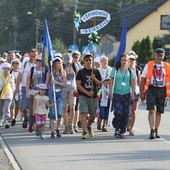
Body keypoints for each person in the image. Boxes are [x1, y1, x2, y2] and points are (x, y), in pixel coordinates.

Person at [140, 48, 170, 139]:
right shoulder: (149, 65)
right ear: (154, 55)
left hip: (162, 90)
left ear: (164, 56)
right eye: (158, 55)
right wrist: (142, 93)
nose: (159, 57)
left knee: (159, 111)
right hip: (151, 89)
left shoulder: (167, 66)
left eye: (161, 55)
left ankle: (156, 130)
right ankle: (152, 130)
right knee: (151, 110)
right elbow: (143, 79)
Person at [76, 53, 102, 139]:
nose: (88, 62)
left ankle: (88, 125)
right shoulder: (80, 72)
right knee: (83, 113)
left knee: (93, 114)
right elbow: (78, 85)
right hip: (83, 95)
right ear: (84, 61)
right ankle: (84, 131)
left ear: (92, 61)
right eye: (86, 60)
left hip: (93, 96)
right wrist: (87, 93)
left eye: (90, 60)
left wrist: (94, 79)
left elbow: (100, 83)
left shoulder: (96, 71)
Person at [109, 53, 135, 138]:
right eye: (123, 60)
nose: (124, 62)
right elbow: (111, 80)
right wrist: (110, 92)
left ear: (128, 61)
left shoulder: (130, 71)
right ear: (120, 61)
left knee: (126, 113)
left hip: (126, 94)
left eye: (126, 60)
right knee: (118, 112)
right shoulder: (115, 70)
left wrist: (133, 93)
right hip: (117, 94)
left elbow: (132, 82)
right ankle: (117, 128)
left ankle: (122, 129)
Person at [14, 49, 38, 129]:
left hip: (35, 88)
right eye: (31, 56)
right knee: (24, 106)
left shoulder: (38, 65)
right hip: (24, 87)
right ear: (29, 55)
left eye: (34, 56)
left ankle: (32, 122)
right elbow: (19, 77)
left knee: (32, 108)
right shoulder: (24, 64)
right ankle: (25, 117)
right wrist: (17, 88)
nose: (33, 57)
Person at [26, 55, 49, 133]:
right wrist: (27, 92)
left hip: (41, 93)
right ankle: (31, 123)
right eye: (38, 61)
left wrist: (43, 90)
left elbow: (47, 80)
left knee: (40, 110)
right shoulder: (32, 70)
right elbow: (28, 82)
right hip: (33, 91)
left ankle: (38, 126)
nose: (39, 63)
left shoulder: (45, 70)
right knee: (33, 109)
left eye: (41, 61)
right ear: (36, 62)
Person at [48, 56, 67, 139]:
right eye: (56, 63)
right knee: (52, 113)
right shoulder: (50, 73)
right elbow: (47, 82)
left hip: (60, 94)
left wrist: (56, 82)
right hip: (52, 94)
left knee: (59, 113)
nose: (58, 65)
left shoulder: (63, 73)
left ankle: (57, 128)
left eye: (59, 63)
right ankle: (52, 130)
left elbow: (65, 84)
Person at [127, 51, 141, 136]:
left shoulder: (137, 70)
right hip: (126, 92)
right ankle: (126, 125)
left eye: (133, 59)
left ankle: (131, 128)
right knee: (126, 111)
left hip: (136, 92)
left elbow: (139, 82)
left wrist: (141, 93)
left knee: (133, 111)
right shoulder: (125, 70)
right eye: (130, 59)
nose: (131, 61)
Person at [62, 53, 77, 134]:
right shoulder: (61, 67)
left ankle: (71, 125)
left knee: (72, 107)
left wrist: (77, 88)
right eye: (66, 61)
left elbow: (78, 78)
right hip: (64, 89)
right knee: (64, 108)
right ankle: (66, 126)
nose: (67, 63)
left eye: (68, 61)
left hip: (72, 88)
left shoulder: (75, 66)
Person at [0, 63, 15, 128]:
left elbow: (13, 86)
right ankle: (0, 120)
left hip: (8, 94)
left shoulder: (11, 76)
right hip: (1, 94)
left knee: (7, 108)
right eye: (5, 68)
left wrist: (14, 94)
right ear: (2, 69)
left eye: (8, 69)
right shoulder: (0, 76)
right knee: (0, 109)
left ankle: (6, 121)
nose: (6, 70)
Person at [10, 58, 21, 126]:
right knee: (12, 106)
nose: (15, 64)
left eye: (17, 63)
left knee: (17, 107)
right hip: (11, 91)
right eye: (14, 63)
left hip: (19, 91)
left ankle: (15, 118)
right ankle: (12, 118)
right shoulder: (10, 72)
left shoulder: (20, 72)